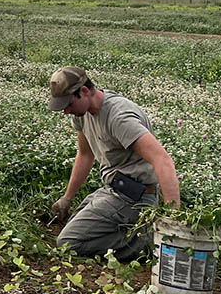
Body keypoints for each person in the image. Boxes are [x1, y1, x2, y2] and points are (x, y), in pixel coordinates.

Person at [46, 65, 181, 262]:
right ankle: (135, 233)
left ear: (84, 91)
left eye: (68, 104)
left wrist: (172, 219)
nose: (66, 111)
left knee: (68, 243)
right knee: (74, 226)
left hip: (135, 197)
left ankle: (144, 243)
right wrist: (67, 198)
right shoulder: (82, 115)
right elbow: (85, 154)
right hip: (113, 189)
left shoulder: (119, 117)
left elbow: (163, 160)